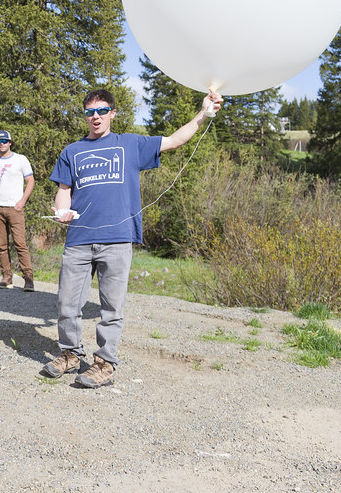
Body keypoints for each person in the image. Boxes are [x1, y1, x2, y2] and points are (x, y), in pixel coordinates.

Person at [43, 88, 222, 388]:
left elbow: (175, 140)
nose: (95, 117)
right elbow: (64, 192)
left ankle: (104, 364)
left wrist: (203, 113)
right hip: (78, 239)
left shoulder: (130, 144)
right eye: (90, 112)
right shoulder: (71, 151)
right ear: (85, 116)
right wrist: (62, 212)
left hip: (117, 238)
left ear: (113, 113)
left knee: (111, 308)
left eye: (101, 111)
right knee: (66, 303)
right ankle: (70, 354)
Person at [0, 129, 35, 291]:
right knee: (1, 245)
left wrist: (22, 201)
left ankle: (28, 279)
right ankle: (7, 277)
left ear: (10, 143)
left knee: (20, 243)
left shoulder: (20, 159)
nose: (2, 143)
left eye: (5, 141)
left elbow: (30, 181)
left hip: (15, 208)